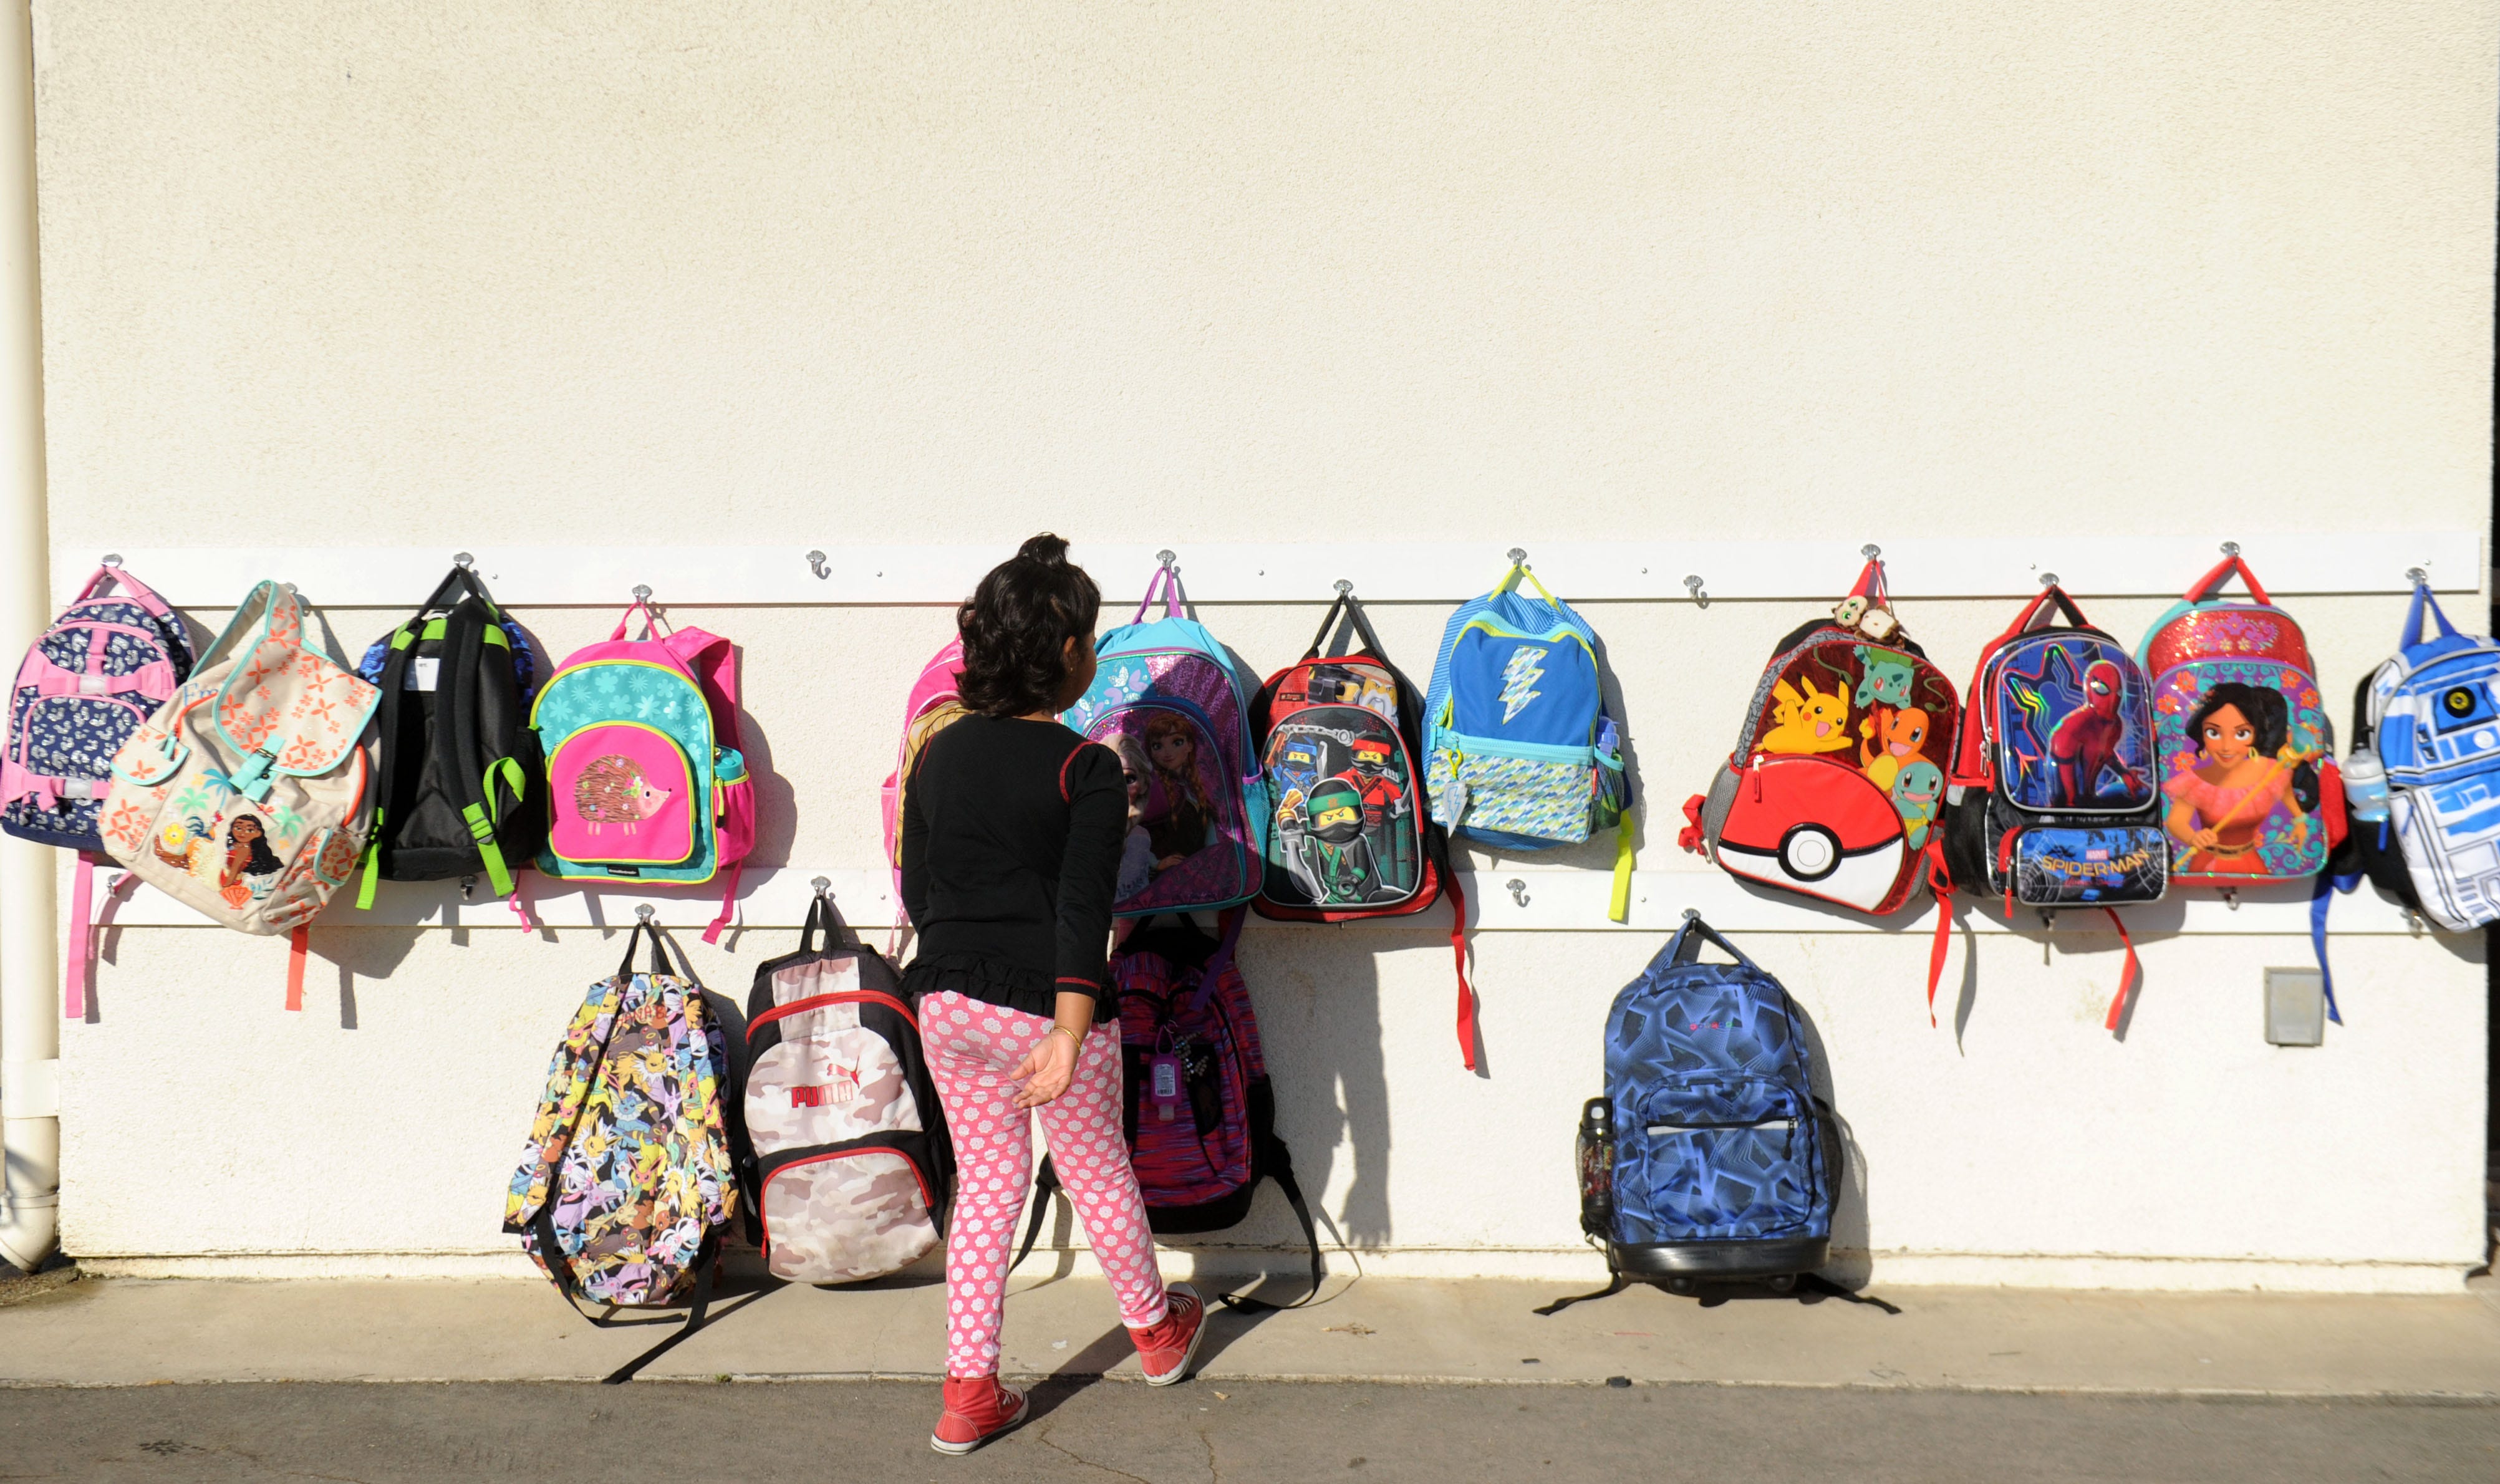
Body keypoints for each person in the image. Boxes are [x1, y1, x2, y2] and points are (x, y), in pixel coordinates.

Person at [899, 534, 1206, 1455]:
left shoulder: (938, 753)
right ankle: (1156, 1335)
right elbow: (1082, 911)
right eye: (1090, 639)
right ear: (1065, 654)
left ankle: (969, 1394)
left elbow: (919, 889)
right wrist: (1071, 1028)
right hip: (1049, 1009)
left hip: (947, 1002)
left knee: (987, 1188)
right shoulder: (1089, 768)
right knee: (1096, 1169)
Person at [2161, 682, 2314, 874]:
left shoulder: (2271, 771)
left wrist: (2300, 819)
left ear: (2255, 734)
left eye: (2241, 733)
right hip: (2207, 865)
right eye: (2213, 732)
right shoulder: (2194, 782)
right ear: (2202, 734)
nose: (2227, 747)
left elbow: (2285, 790)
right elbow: (2176, 822)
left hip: (2252, 865)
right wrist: (2193, 837)